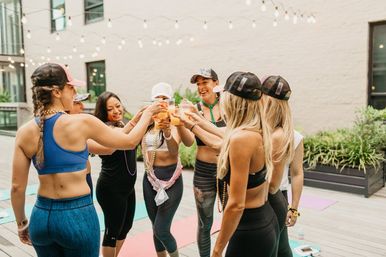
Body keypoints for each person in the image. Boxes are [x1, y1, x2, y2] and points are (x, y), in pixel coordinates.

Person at [10, 63, 163, 257]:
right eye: (71, 87)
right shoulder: (82, 122)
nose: (74, 92)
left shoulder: (24, 132)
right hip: (76, 215)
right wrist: (148, 115)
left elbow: (16, 187)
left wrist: (22, 223)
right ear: (57, 92)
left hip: (41, 216)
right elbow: (130, 142)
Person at [212, 71, 278, 257]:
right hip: (264, 219)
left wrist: (217, 250)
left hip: (249, 228)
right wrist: (193, 122)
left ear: (232, 101)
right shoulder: (258, 130)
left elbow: (236, 205)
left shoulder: (241, 139)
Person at [88, 91, 144, 257]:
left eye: (118, 106)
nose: (116, 111)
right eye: (110, 109)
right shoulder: (105, 129)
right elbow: (119, 139)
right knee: (112, 232)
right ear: (104, 112)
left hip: (128, 187)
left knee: (125, 229)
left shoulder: (123, 124)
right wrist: (136, 121)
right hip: (111, 188)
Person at [180, 68, 227, 257]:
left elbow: (230, 138)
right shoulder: (194, 109)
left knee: (232, 217)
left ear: (216, 83)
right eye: (198, 84)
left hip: (227, 169)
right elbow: (189, 141)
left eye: (204, 82)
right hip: (203, 172)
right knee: (204, 222)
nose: (200, 87)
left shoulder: (228, 106)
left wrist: (195, 123)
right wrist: (181, 124)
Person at [142, 82, 190, 257]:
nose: (161, 102)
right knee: (155, 226)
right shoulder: (147, 121)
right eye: (157, 98)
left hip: (171, 179)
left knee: (161, 229)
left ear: (170, 101)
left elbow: (174, 150)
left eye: (165, 98)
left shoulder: (175, 121)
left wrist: (168, 131)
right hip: (149, 179)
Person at [261, 75, 303, 257]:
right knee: (279, 245)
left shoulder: (291, 136)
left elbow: (297, 173)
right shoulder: (255, 130)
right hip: (271, 196)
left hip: (272, 195)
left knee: (276, 245)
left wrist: (294, 208)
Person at [68, 93, 94, 197]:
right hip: (75, 181)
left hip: (86, 176)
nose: (82, 107)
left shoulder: (79, 124)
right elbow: (106, 148)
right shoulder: (67, 129)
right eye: (77, 103)